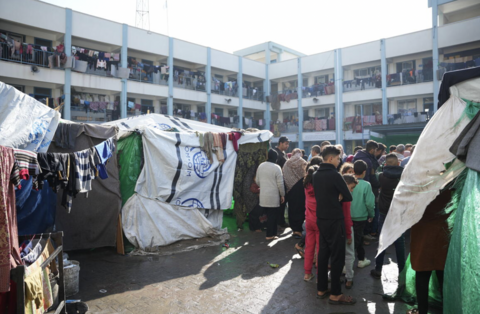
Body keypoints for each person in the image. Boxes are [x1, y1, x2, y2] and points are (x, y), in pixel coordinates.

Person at [313, 145, 355, 305]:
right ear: (331, 158)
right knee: (337, 257)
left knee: (323, 255)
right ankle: (336, 293)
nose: (339, 161)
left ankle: (321, 288)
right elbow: (348, 196)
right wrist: (339, 197)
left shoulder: (316, 174)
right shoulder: (335, 175)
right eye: (338, 158)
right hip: (335, 220)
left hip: (321, 218)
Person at [407, 190, 451, 314]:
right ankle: (446, 309)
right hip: (442, 235)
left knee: (422, 275)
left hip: (422, 236)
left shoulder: (419, 187)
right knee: (442, 276)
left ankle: (422, 311)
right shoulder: (449, 185)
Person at [370, 153, 406, 279]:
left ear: (385, 164)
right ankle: (402, 270)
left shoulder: (381, 176)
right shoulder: (403, 176)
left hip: (384, 211)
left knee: (382, 240)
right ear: (398, 163)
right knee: (399, 241)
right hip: (398, 210)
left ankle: (378, 268)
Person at [256, 149, 285, 241]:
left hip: (263, 195)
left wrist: (264, 186)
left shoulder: (261, 166)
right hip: (273, 196)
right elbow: (280, 183)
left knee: (267, 215)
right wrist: (282, 194)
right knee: (273, 216)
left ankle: (272, 234)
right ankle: (270, 235)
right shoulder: (277, 167)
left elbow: (257, 180)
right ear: (276, 158)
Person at [353, 140, 381, 238]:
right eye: (375, 150)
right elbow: (370, 176)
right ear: (372, 149)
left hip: (355, 184)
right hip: (367, 186)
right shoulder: (368, 160)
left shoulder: (357, 155)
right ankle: (366, 233)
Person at [350, 160, 375, 267]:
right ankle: (358, 260)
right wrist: (372, 214)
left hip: (347, 215)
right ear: (364, 172)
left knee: (351, 238)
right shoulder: (366, 184)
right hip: (361, 216)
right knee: (358, 239)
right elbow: (369, 203)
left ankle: (354, 260)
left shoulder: (347, 182)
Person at [282, 148, 307, 238]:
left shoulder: (287, 163)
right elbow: (306, 174)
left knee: (292, 208)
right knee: (300, 208)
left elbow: (284, 175)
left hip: (291, 189)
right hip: (301, 188)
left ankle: (294, 229)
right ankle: (299, 229)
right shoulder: (302, 162)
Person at [303, 165, 320, 282]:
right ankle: (320, 273)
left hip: (308, 220)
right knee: (320, 248)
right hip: (319, 220)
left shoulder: (306, 186)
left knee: (309, 247)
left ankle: (307, 274)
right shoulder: (320, 188)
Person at [342, 174, 358, 289]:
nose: (352, 191)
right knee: (349, 254)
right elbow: (347, 218)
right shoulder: (346, 198)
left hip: (335, 228)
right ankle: (349, 278)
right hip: (345, 228)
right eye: (351, 187)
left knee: (337, 254)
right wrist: (349, 235)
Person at [273, 136, 290, 228]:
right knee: (279, 203)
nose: (287, 146)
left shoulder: (284, 153)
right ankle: (279, 222)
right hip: (277, 182)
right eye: (286, 144)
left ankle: (281, 220)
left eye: (288, 144)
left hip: (284, 181)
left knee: (283, 203)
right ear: (280, 143)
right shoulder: (276, 153)